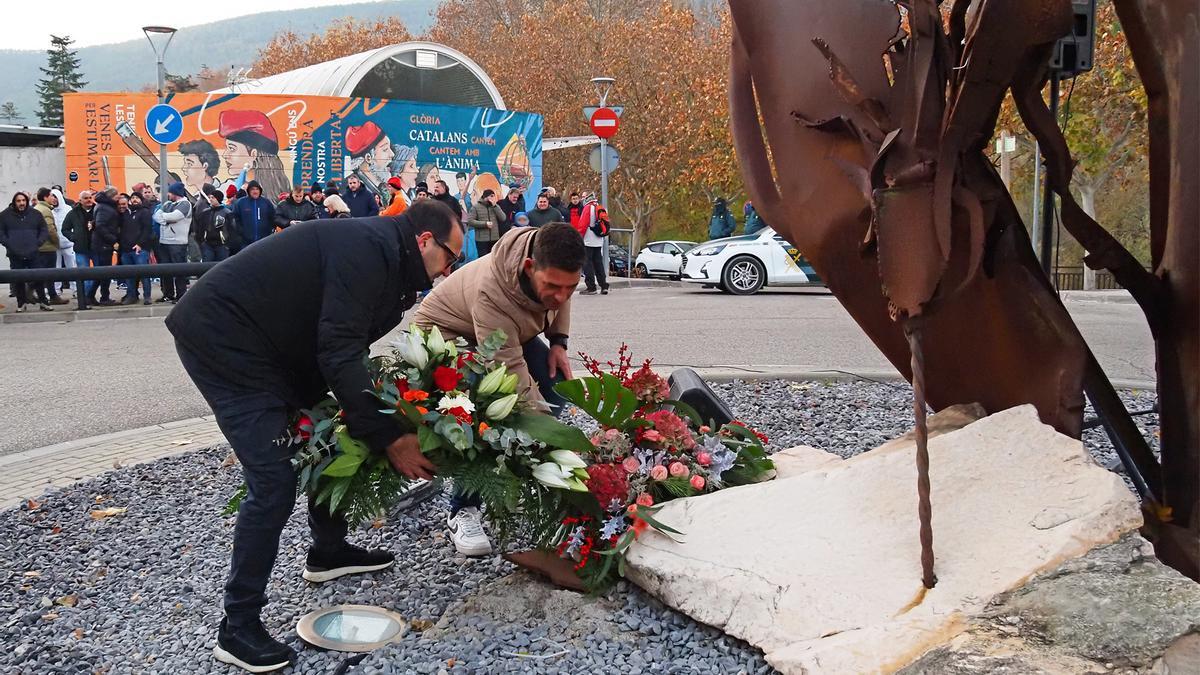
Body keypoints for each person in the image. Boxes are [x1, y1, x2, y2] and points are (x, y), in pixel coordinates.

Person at [167, 200, 462, 673]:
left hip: (280, 348)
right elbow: (340, 348)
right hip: (225, 340)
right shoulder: (369, 250)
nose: (449, 270)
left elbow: (341, 344)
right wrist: (390, 435)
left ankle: (328, 550)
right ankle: (237, 628)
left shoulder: (391, 257)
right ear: (425, 241)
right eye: (451, 258)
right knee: (274, 480)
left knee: (326, 434)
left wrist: (374, 411)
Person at [412, 222, 583, 556]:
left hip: (502, 333)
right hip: (444, 333)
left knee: (555, 386)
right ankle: (463, 508)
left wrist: (559, 342)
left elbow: (561, 295)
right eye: (553, 286)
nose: (561, 296)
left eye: (571, 287)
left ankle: (516, 477)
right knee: (480, 412)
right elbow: (511, 376)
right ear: (529, 268)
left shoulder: (549, 255)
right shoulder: (493, 292)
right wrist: (555, 445)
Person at [0, 191, 51, 312]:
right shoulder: (4, 215)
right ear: (14, 202)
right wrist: (9, 244)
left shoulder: (36, 214)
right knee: (18, 280)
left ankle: (43, 302)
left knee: (39, 277)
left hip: (33, 252)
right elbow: (1, 233)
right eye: (18, 201)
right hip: (14, 253)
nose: (21, 203)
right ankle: (21, 303)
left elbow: (44, 229)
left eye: (23, 200)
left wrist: (38, 242)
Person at [154, 182, 193, 302]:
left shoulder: (185, 204)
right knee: (165, 270)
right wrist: (166, 218)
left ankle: (181, 295)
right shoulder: (168, 204)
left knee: (178, 271)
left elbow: (175, 217)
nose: (168, 194)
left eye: (170, 192)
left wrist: (164, 218)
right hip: (164, 241)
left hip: (178, 243)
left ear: (175, 193)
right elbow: (156, 216)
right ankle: (168, 294)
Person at [33, 188, 68, 305]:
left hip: (39, 247)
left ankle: (39, 293)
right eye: (51, 196)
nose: (53, 198)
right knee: (49, 274)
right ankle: (52, 296)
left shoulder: (37, 208)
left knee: (42, 273)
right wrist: (56, 242)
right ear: (45, 197)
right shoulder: (46, 210)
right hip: (47, 247)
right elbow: (50, 230)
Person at [62, 190, 96, 308]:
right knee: (83, 274)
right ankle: (84, 298)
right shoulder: (73, 213)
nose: (89, 200)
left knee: (98, 274)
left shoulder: (97, 210)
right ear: (80, 200)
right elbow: (65, 229)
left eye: (90, 197)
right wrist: (73, 237)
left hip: (96, 247)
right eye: (86, 198)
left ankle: (90, 296)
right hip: (81, 247)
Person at [120, 193, 155, 305]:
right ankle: (131, 295)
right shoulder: (125, 213)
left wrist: (140, 244)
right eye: (133, 198)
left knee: (144, 273)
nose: (134, 200)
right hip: (126, 249)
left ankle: (147, 296)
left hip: (140, 249)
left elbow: (147, 230)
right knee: (129, 274)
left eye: (137, 198)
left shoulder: (145, 212)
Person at [90, 187, 122, 307]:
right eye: (116, 195)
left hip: (102, 243)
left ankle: (93, 296)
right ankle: (101, 297)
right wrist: (113, 240)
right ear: (111, 196)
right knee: (103, 273)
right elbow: (101, 226)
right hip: (103, 244)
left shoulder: (103, 206)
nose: (118, 197)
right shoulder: (105, 208)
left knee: (102, 272)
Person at [578, 194, 609, 295]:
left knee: (587, 264)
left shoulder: (588, 208)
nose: (582, 198)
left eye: (583, 197)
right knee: (598, 263)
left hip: (588, 239)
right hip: (598, 239)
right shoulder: (599, 207)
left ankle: (591, 287)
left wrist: (579, 237)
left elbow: (583, 225)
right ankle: (603, 285)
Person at [232, 180, 276, 251]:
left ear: (260, 190)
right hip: (245, 242)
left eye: (257, 189)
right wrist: (241, 232)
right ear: (248, 191)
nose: (255, 191)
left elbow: (273, 217)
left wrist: (270, 230)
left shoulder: (266, 202)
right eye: (252, 189)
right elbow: (235, 218)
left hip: (264, 241)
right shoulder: (241, 203)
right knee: (247, 260)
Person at [195, 185, 232, 262]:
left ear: (218, 199)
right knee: (207, 266)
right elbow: (200, 227)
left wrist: (228, 244)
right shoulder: (205, 212)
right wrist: (201, 241)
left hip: (222, 245)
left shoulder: (226, 213)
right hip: (207, 244)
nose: (211, 199)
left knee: (221, 266)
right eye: (210, 197)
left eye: (213, 198)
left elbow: (231, 229)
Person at [465, 188, 506, 257]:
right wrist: (485, 224)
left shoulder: (495, 206)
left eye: (493, 196)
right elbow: (470, 221)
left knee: (493, 259)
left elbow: (503, 218)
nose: (493, 198)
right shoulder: (476, 207)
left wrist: (495, 206)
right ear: (486, 197)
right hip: (482, 240)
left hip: (494, 238)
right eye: (491, 196)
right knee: (483, 260)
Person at [49, 188, 75, 296]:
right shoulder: (51, 212)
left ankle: (76, 289)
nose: (54, 199)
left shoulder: (68, 209)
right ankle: (57, 290)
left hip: (68, 244)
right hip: (55, 245)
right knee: (56, 269)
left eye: (55, 197)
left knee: (72, 268)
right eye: (52, 197)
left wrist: (72, 238)